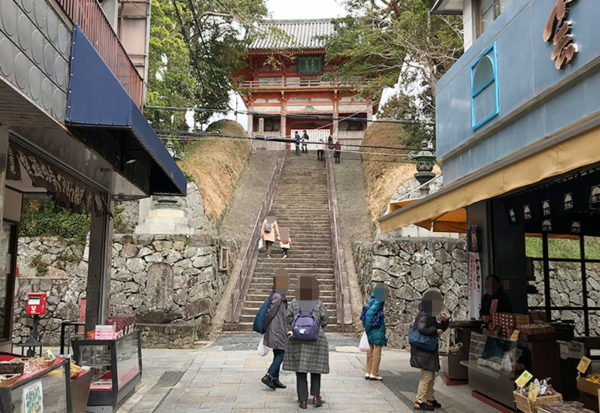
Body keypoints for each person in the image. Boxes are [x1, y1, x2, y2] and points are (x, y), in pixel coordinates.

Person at [283, 276, 329, 409]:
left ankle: (303, 400)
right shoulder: (318, 303)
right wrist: (315, 328)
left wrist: (299, 329)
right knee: (316, 369)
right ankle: (315, 396)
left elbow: (287, 318)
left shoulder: (294, 303)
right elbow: (325, 320)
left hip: (299, 339)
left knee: (300, 370)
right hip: (316, 339)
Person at [411, 289, 449, 411]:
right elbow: (422, 328)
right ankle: (419, 401)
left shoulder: (428, 313)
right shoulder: (425, 314)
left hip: (427, 351)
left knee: (431, 376)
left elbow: (437, 328)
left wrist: (444, 323)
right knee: (427, 377)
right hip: (424, 351)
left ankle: (430, 399)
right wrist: (435, 331)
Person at [261, 269, 289, 390]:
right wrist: (264, 327)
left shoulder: (279, 295)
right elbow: (270, 313)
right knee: (282, 353)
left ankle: (275, 378)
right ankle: (268, 375)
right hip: (276, 329)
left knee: (277, 352)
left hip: (279, 328)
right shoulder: (277, 296)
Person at [363, 283, 388, 381]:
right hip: (376, 327)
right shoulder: (379, 300)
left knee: (370, 350)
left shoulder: (371, 299)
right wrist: (368, 326)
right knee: (377, 349)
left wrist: (366, 327)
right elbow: (370, 313)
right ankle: (374, 373)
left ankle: (368, 372)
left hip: (370, 329)